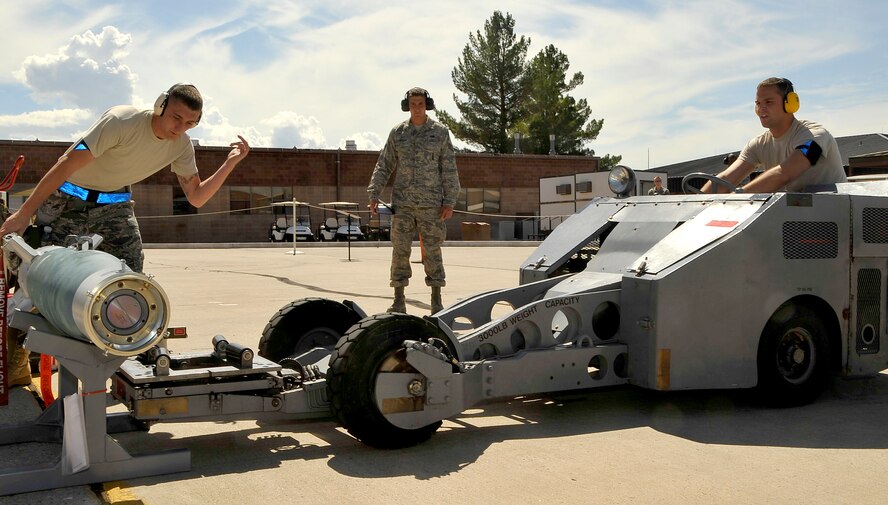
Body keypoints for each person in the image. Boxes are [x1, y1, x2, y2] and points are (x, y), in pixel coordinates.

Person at [0, 82, 250, 387]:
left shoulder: (181, 145)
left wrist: (230, 163)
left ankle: (121, 351)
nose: (180, 127)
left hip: (115, 204)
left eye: (190, 123)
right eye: (176, 117)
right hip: (68, 199)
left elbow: (196, 197)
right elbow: (65, 165)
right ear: (160, 105)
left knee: (132, 279)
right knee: (42, 279)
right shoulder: (122, 121)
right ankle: (18, 361)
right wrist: (25, 213)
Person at [368, 87, 460, 314]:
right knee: (400, 251)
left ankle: (436, 301)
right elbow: (384, 164)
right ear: (407, 106)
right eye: (412, 104)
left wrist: (450, 201)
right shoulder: (398, 133)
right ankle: (399, 300)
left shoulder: (439, 133)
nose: (416, 107)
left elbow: (448, 168)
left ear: (426, 105)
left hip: (431, 205)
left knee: (432, 251)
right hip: (403, 205)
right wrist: (374, 192)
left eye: (420, 103)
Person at [704, 77, 845, 193]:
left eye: (769, 102)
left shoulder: (816, 138)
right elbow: (725, 178)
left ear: (789, 104)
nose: (761, 109)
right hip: (792, 218)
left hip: (833, 219)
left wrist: (740, 198)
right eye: (758, 103)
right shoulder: (758, 144)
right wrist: (694, 206)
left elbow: (785, 174)